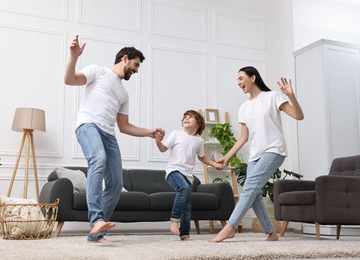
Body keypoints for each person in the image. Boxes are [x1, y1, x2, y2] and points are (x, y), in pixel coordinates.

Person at [64, 35, 165, 243]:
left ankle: (96, 233)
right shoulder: (97, 71)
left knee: (116, 183)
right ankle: (97, 220)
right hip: (88, 125)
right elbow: (69, 80)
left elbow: (124, 126)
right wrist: (73, 57)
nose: (136, 70)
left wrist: (149, 132)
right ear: (125, 59)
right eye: (136, 65)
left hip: (109, 134)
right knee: (98, 159)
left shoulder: (123, 93)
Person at [210, 66, 304, 243]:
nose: (238, 83)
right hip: (255, 155)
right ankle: (271, 233)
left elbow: (299, 116)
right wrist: (226, 157)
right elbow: (243, 138)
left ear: (253, 78)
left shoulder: (273, 96)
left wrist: (290, 95)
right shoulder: (244, 107)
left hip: (274, 150)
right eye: (237, 80)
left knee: (250, 186)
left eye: (240, 78)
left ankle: (230, 227)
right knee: (252, 193)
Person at [154, 110, 219, 241]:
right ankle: (174, 221)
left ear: (198, 124)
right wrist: (157, 140)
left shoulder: (199, 141)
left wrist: (214, 164)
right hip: (173, 171)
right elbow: (162, 149)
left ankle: (184, 234)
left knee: (187, 205)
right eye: (184, 117)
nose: (186, 118)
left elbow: (202, 157)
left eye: (190, 117)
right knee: (184, 188)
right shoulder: (176, 134)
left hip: (188, 175)